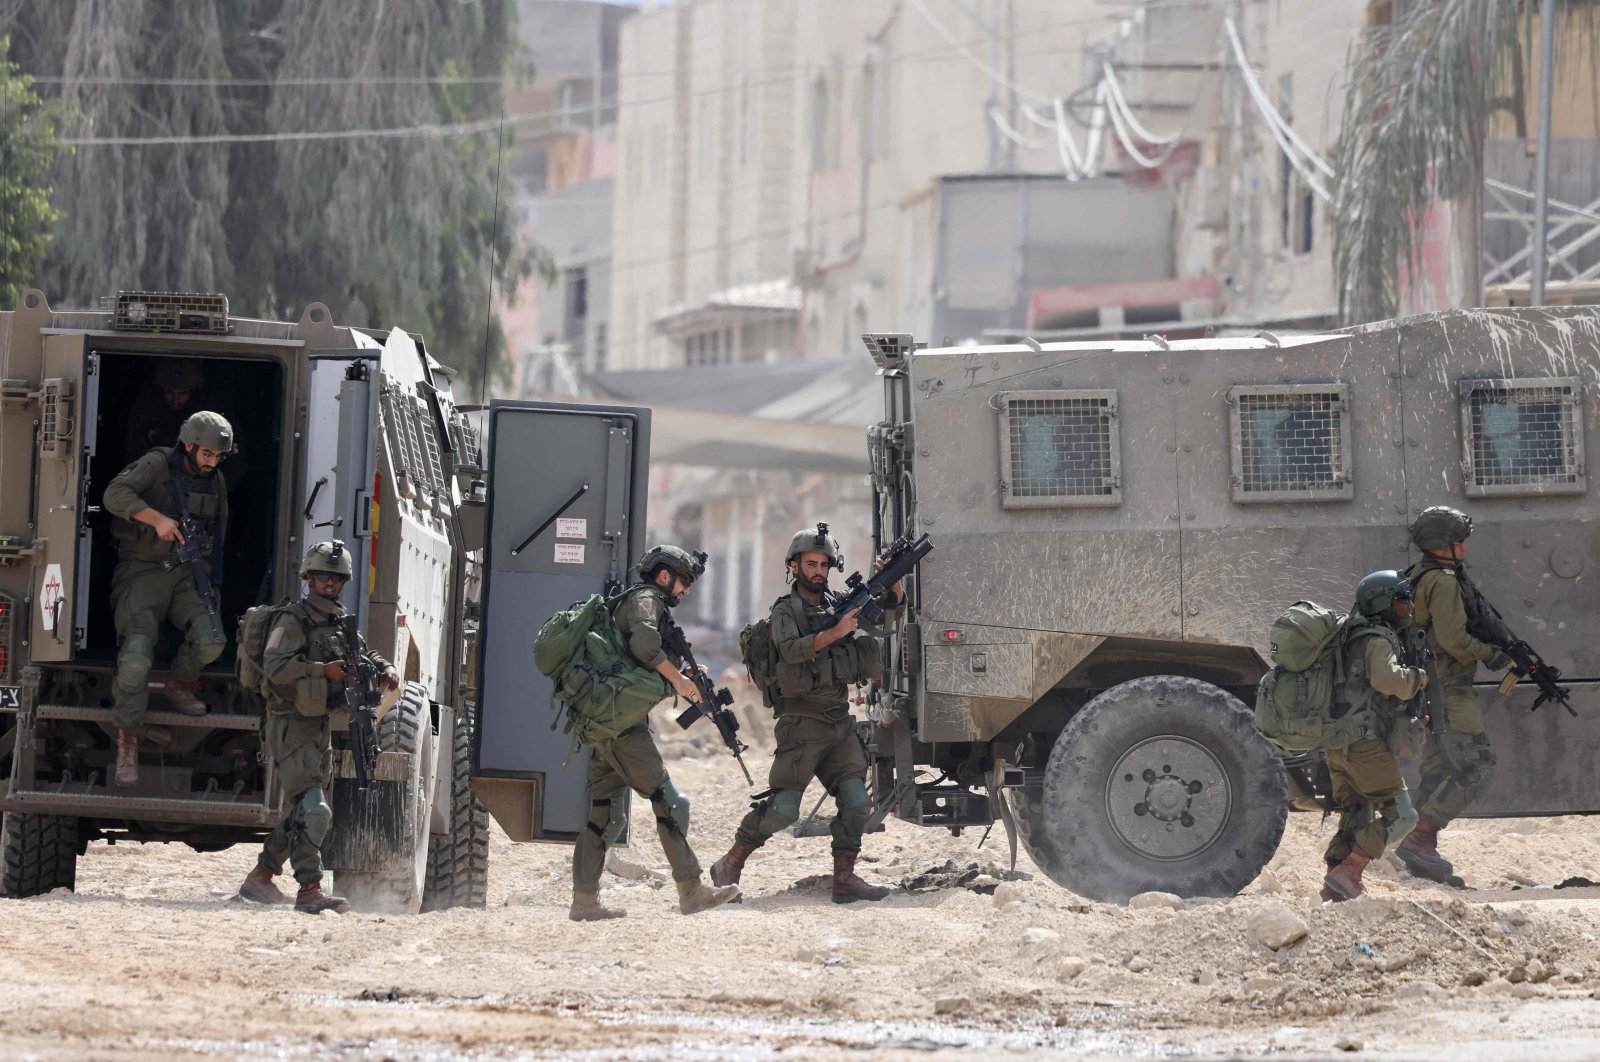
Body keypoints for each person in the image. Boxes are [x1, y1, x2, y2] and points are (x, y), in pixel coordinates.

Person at [710, 522, 901, 904]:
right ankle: (730, 863)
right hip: (801, 724)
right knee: (782, 810)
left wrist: (892, 585)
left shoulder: (838, 605)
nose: (817, 571)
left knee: (857, 802)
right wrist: (835, 633)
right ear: (794, 567)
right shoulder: (785, 611)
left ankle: (844, 881)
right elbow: (792, 650)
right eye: (810, 564)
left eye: (823, 565)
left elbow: (885, 618)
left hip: (837, 721)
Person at [569, 545, 741, 921]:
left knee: (605, 816)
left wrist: (685, 677)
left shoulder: (638, 601)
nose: (686, 591)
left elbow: (641, 658)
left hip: (608, 721)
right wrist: (679, 681)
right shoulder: (647, 599)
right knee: (670, 802)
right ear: (664, 575)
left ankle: (584, 902)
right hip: (621, 726)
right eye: (684, 582)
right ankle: (691, 891)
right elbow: (645, 644)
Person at [238, 540, 399, 915]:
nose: (330, 583)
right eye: (323, 576)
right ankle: (309, 888)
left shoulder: (337, 618)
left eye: (337, 577)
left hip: (318, 725)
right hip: (290, 724)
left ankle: (260, 877)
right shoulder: (292, 619)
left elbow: (362, 652)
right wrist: (319, 671)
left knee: (304, 809)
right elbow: (275, 665)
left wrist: (384, 666)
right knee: (316, 809)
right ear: (309, 577)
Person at [101, 410, 235, 787]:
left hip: (188, 573)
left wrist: (212, 578)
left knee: (212, 640)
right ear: (189, 445)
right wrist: (156, 519)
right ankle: (128, 739)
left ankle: (179, 683)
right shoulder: (158, 464)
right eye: (207, 454)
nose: (212, 462)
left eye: (218, 457)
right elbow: (114, 494)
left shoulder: (217, 481)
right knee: (136, 656)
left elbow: (221, 529)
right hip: (142, 571)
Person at [1394, 506, 1511, 887]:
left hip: (1433, 686)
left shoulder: (1425, 575)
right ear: (1443, 545)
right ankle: (1420, 839)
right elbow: (1454, 640)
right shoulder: (1442, 581)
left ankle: (1411, 851)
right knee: (1478, 764)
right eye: (1460, 540)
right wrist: (1494, 655)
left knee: (1438, 770)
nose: (1465, 546)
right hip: (1448, 689)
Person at [1320, 571, 1427, 902]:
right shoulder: (1377, 638)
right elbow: (1385, 680)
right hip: (1363, 743)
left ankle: (1334, 885)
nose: (1409, 605)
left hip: (1338, 743)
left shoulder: (1350, 635)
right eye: (1402, 599)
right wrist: (1416, 678)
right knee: (1403, 816)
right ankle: (1350, 870)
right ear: (1383, 604)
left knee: (1356, 811)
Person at [123, 360, 209, 459]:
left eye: (183, 393)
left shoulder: (202, 417)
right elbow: (134, 450)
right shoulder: (146, 410)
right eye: (169, 392)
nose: (175, 401)